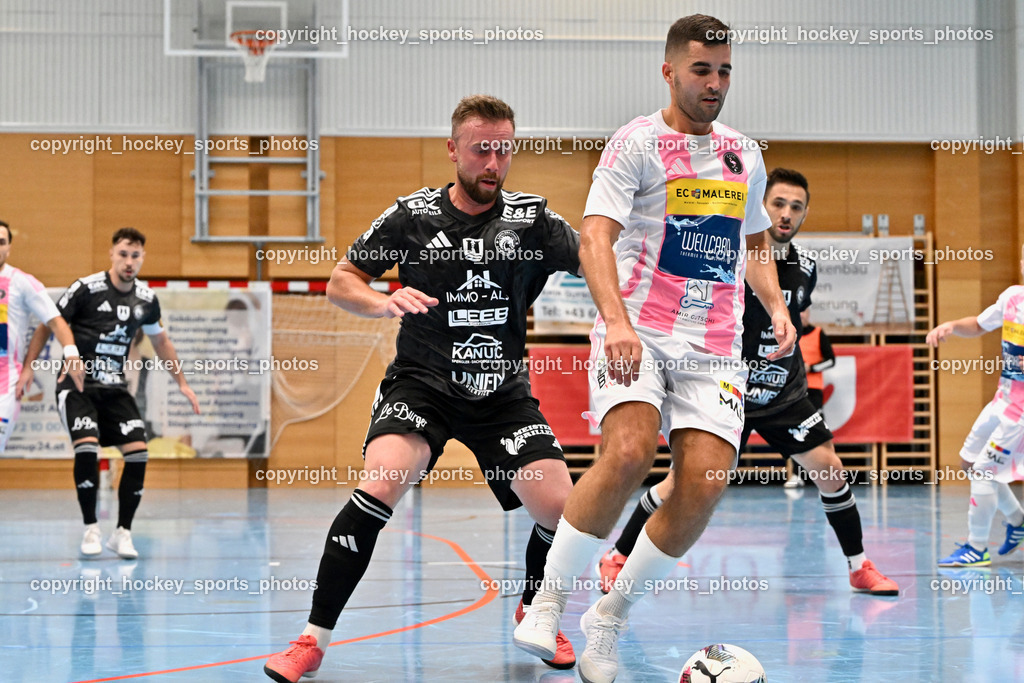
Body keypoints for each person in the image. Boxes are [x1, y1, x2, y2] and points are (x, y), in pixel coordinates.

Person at [514, 16, 799, 683]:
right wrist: (614, 321)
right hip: (636, 329)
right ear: (669, 71)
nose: (715, 83)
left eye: (725, 70)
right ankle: (549, 599)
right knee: (629, 450)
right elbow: (593, 238)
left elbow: (753, 243)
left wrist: (776, 303)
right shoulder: (636, 143)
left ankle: (608, 618)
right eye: (702, 70)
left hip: (715, 347)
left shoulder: (744, 154)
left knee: (703, 482)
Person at [263, 95, 582, 683]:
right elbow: (341, 281)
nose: (493, 161)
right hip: (423, 384)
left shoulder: (533, 219)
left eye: (504, 149)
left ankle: (536, 608)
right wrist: (383, 301)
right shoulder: (412, 217)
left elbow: (598, 262)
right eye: (482, 148)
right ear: (453, 148)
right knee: (380, 482)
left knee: (563, 509)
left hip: (502, 392)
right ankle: (311, 638)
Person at [593, 168, 899, 603]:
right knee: (683, 482)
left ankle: (858, 566)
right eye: (778, 204)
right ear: (760, 206)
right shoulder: (729, 257)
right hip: (728, 388)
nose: (787, 213)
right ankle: (619, 554)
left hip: (782, 393)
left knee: (830, 470)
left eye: (796, 206)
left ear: (806, 213)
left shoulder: (804, 268)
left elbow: (800, 317)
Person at [22, 228, 200, 560]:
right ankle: (91, 527)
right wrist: (28, 367)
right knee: (87, 448)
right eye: (123, 254)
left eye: (135, 256)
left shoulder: (146, 299)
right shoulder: (85, 289)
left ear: (142, 258)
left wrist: (183, 383)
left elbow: (161, 342)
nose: (129, 262)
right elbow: (49, 323)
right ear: (112, 254)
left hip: (115, 388)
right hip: (77, 387)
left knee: (138, 453)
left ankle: (122, 533)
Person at [930, 247, 1024, 567]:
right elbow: (980, 324)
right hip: (1002, 398)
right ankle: (1017, 520)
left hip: (1020, 416)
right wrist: (952, 326)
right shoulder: (1012, 297)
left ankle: (977, 547)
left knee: (985, 471)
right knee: (970, 463)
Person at [0, 220, 83, 450]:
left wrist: (72, 354)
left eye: (1, 242)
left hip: (5, 383)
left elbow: (56, 322)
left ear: (9, 248)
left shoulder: (21, 282)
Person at [786, 307, 835, 487]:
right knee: (795, 432)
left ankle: (823, 474)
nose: (802, 315)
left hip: (813, 391)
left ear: (809, 314)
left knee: (817, 433)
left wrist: (811, 368)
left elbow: (831, 360)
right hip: (793, 390)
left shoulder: (818, 333)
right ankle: (797, 475)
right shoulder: (788, 334)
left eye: (805, 311)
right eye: (798, 312)